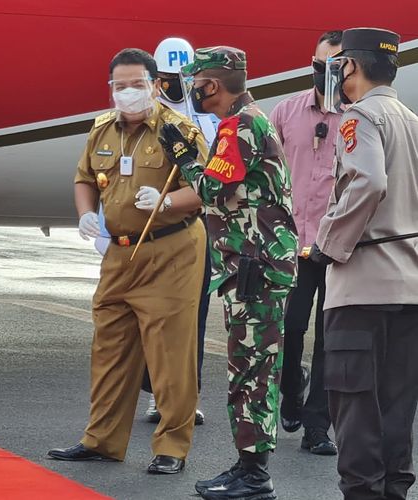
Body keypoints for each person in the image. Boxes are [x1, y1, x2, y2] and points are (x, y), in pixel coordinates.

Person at [48, 48, 208, 475]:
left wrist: (169, 200)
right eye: (120, 86)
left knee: (170, 353)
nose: (129, 93)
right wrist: (85, 212)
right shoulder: (102, 130)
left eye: (137, 84)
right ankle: (102, 440)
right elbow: (85, 178)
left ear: (156, 85)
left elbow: (207, 188)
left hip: (169, 249)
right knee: (110, 348)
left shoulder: (180, 131)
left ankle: (172, 446)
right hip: (119, 251)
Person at [161, 46, 297, 498]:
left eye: (196, 85)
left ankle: (255, 476)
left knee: (253, 370)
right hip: (255, 264)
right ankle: (247, 467)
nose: (193, 93)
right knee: (249, 367)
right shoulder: (248, 121)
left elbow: (212, 190)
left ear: (212, 85)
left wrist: (182, 154)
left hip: (256, 265)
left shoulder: (239, 127)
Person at [309, 27, 418, 500]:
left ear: (349, 66)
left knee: (354, 409)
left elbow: (367, 183)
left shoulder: (360, 118)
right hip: (409, 289)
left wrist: (328, 244)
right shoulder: (411, 120)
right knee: (397, 409)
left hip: (362, 289)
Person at [140, 37, 222, 426]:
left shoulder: (209, 118)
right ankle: (157, 392)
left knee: (193, 315)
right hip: (153, 228)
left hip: (195, 226)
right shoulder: (146, 116)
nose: (177, 86)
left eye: (184, 78)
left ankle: (186, 396)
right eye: (169, 78)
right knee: (154, 313)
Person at [268, 30, 342, 456]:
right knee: (290, 328)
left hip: (337, 246)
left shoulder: (359, 118)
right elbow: (271, 176)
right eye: (319, 64)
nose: (324, 73)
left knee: (331, 338)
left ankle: (318, 426)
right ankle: (292, 390)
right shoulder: (286, 112)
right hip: (292, 243)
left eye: (334, 66)